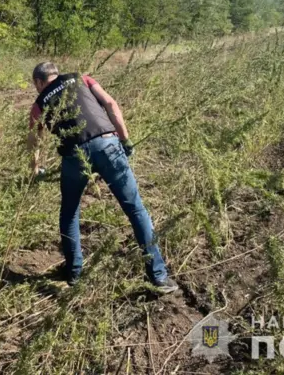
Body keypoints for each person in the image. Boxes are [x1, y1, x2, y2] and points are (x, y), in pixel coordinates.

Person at [26, 61, 179, 294]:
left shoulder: (39, 103)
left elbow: (34, 140)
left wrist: (35, 169)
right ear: (56, 74)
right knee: (136, 209)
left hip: (73, 155)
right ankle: (158, 277)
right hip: (108, 144)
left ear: (38, 82)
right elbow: (110, 103)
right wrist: (125, 140)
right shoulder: (82, 79)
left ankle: (75, 275)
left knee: (69, 213)